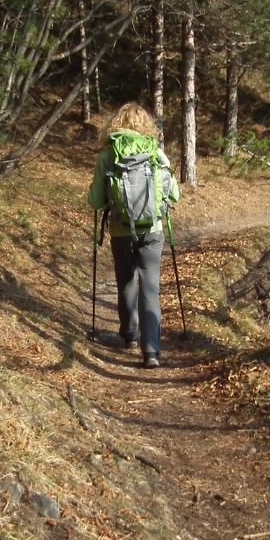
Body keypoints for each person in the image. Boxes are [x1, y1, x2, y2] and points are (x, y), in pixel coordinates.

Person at [88, 102, 181, 368]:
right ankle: (151, 350)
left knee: (127, 282)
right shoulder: (156, 153)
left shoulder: (108, 156)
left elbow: (95, 201)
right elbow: (175, 194)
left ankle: (129, 335)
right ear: (146, 126)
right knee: (150, 287)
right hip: (152, 230)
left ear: (115, 124)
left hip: (121, 230)